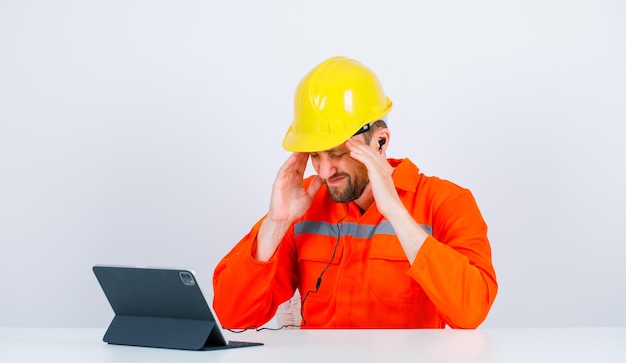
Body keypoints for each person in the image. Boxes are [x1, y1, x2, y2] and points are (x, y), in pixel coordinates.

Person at [212, 56, 498, 329]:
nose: (324, 172)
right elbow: (233, 315)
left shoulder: (445, 202)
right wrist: (276, 224)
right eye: (315, 155)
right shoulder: (303, 206)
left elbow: (470, 312)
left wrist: (396, 213)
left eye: (338, 153)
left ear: (380, 141)